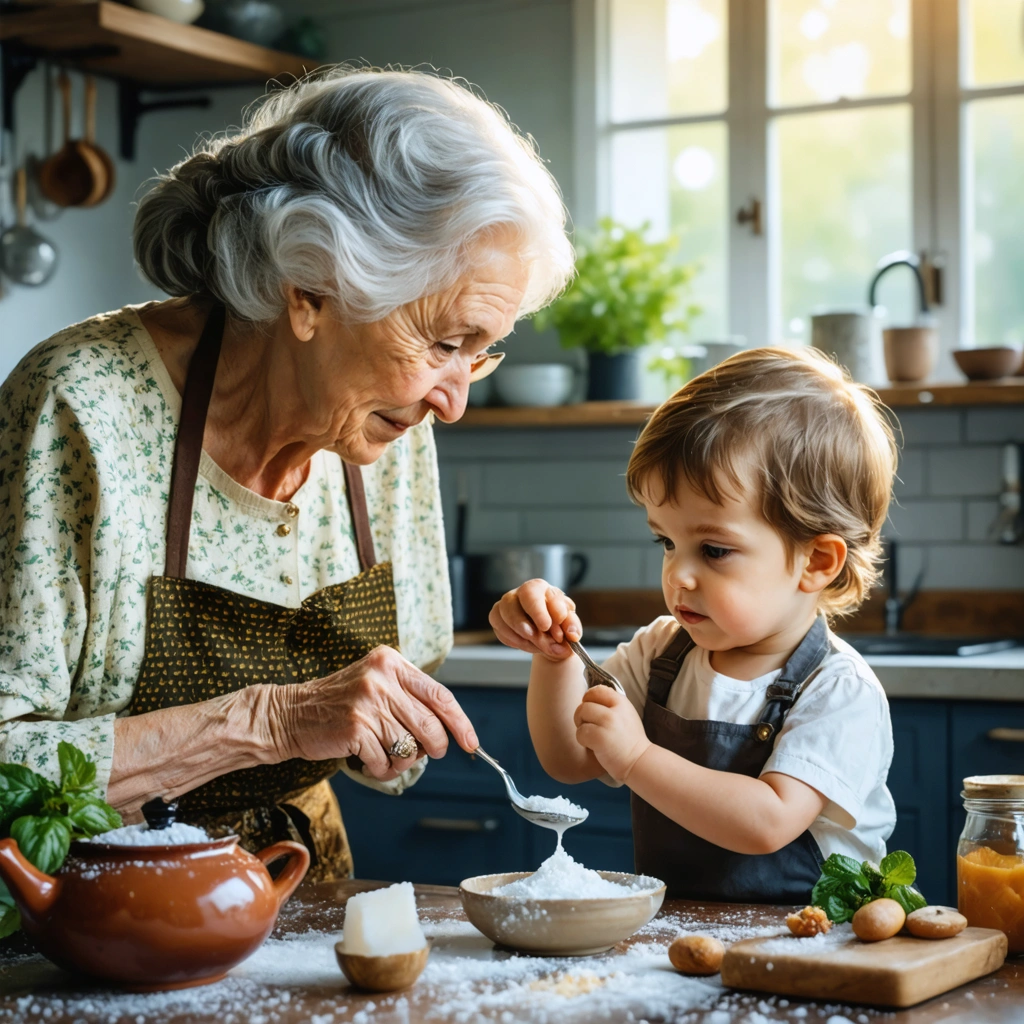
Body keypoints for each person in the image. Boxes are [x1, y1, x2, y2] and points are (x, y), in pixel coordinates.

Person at [0, 66, 573, 881]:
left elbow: (392, 748)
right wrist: (270, 721)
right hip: (89, 912)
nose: (453, 403)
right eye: (445, 343)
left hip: (297, 889)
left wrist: (393, 728)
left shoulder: (387, 427)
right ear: (308, 292)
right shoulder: (82, 408)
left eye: (480, 354)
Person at [490, 348, 899, 901]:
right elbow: (569, 758)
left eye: (713, 550)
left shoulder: (838, 691)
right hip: (683, 938)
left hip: (812, 939)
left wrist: (638, 757)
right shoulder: (661, 653)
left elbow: (768, 821)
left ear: (816, 561)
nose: (677, 574)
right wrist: (554, 655)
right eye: (666, 541)